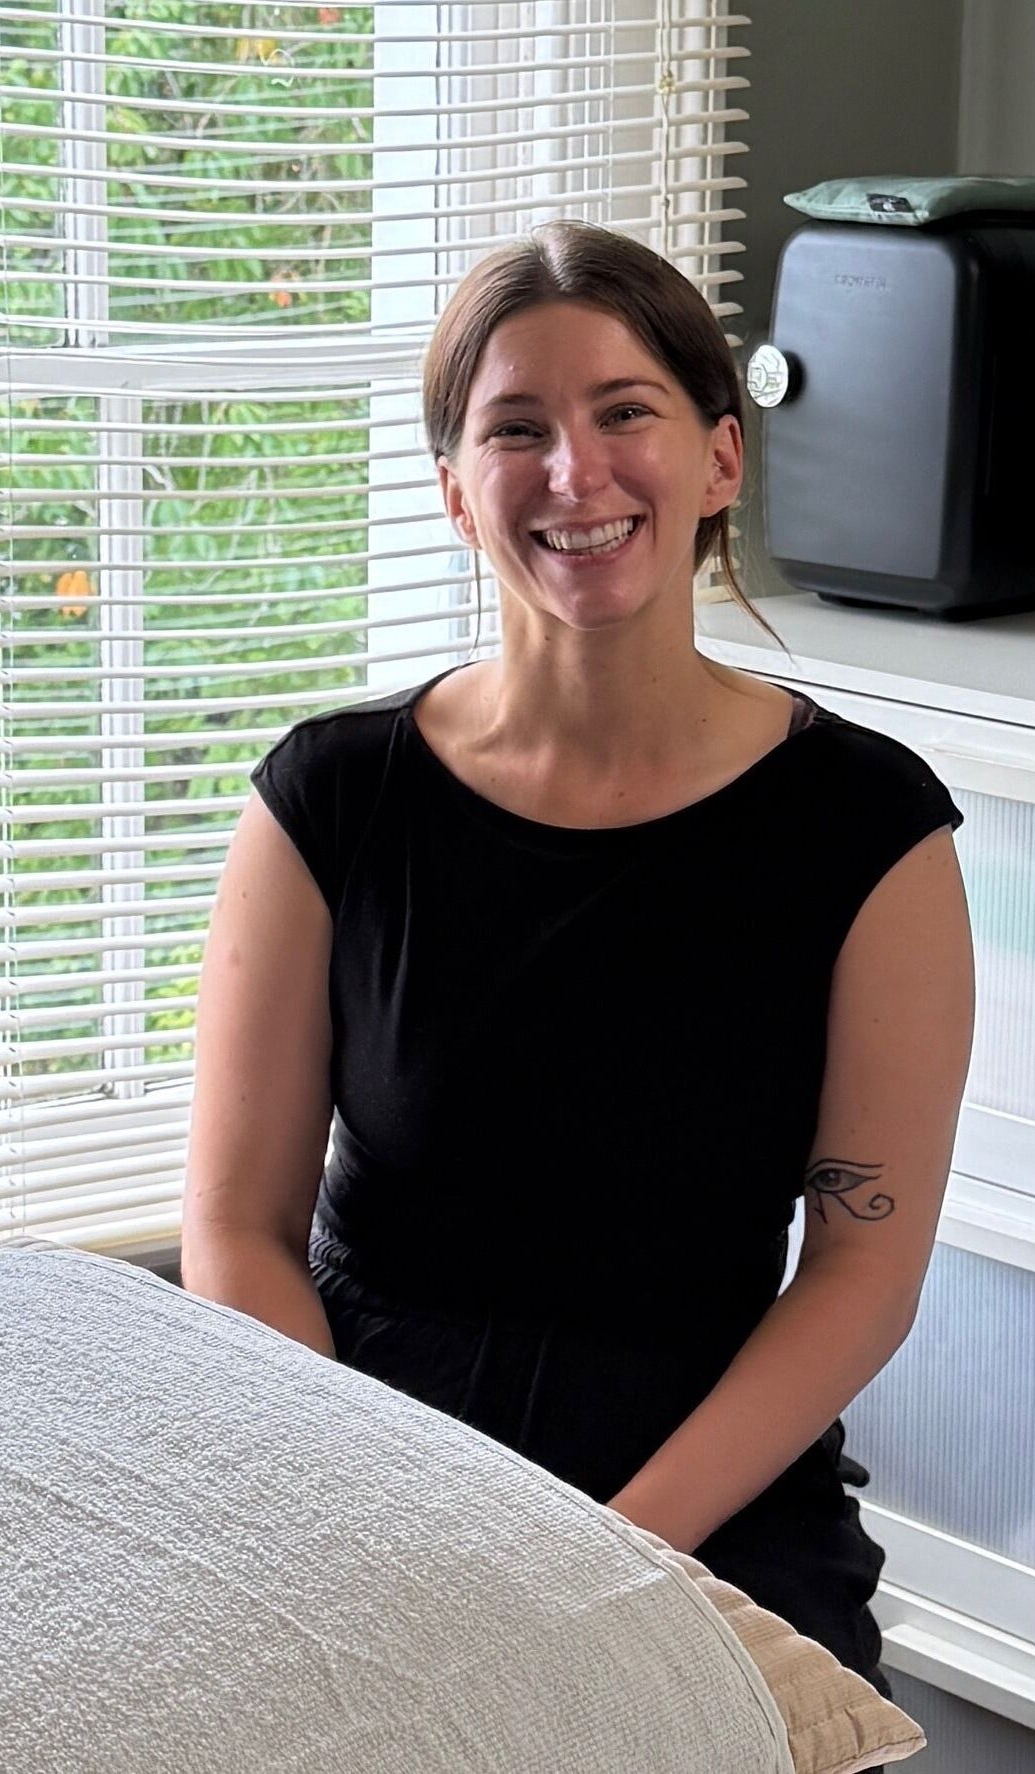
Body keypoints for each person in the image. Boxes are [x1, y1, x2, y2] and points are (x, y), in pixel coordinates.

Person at [178, 218, 976, 1697]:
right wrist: (374, 1504)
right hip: (354, 1435)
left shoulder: (870, 829)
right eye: (516, 430)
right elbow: (237, 1227)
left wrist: (608, 1553)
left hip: (703, 1460)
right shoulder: (327, 799)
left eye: (626, 414)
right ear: (454, 493)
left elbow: (861, 1268)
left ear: (722, 459)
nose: (575, 473)